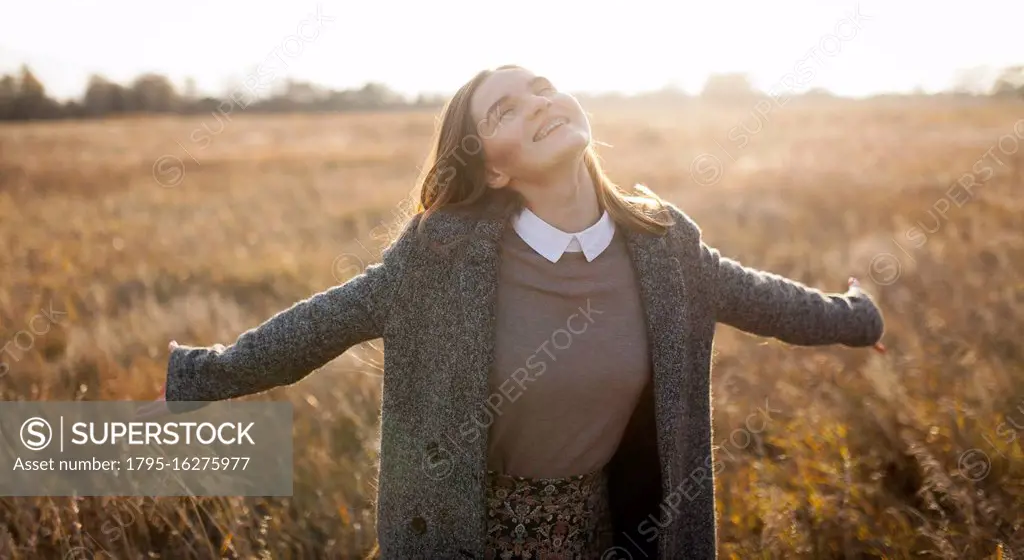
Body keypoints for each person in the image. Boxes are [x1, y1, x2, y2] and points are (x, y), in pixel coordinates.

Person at [138, 64, 886, 559]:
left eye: (542, 87)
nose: (539, 103)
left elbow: (767, 300)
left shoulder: (665, 248)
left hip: (611, 529)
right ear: (492, 164)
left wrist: (858, 318)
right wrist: (199, 377)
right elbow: (325, 322)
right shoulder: (441, 260)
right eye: (506, 108)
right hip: (469, 533)